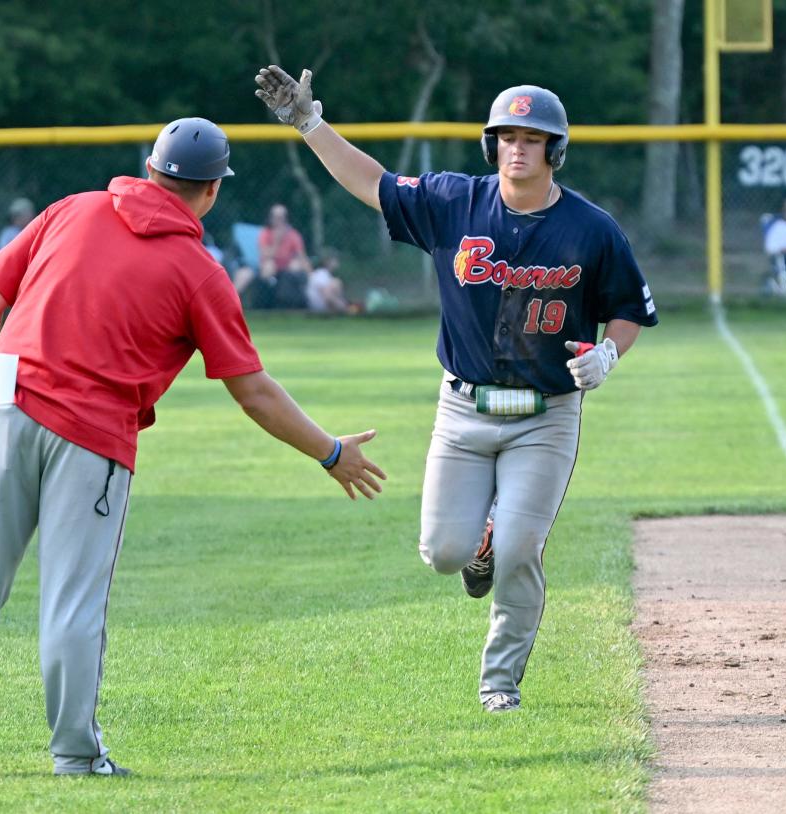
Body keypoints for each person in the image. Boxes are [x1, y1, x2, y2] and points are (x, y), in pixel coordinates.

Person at [0, 117, 385, 780]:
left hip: (2, 409)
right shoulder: (198, 273)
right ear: (210, 193)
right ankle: (74, 756)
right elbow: (253, 392)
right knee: (71, 601)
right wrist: (328, 452)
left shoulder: (71, 210)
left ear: (148, 169)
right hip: (91, 435)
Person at [256, 67, 656, 713]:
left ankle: (499, 682)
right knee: (442, 553)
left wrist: (609, 351)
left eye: (532, 138)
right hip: (462, 410)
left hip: (545, 416)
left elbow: (627, 307)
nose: (517, 149)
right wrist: (309, 125)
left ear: (555, 149)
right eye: (506, 137)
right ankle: (479, 544)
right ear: (489, 144)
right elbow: (373, 183)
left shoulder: (592, 228)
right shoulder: (453, 202)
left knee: (523, 548)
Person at [249, 203, 312, 309]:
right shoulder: (265, 233)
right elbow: (265, 254)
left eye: (281, 217)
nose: (278, 221)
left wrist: (310, 273)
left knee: (295, 265)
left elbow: (301, 255)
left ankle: (291, 303)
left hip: (286, 266)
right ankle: (265, 304)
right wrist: (277, 241)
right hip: (270, 265)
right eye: (276, 217)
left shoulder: (293, 234)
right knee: (269, 266)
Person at [305, 247, 348, 314]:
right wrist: (342, 306)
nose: (337, 262)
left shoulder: (322, 274)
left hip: (316, 305)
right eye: (335, 260)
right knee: (337, 282)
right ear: (328, 261)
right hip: (318, 307)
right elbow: (327, 296)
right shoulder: (321, 274)